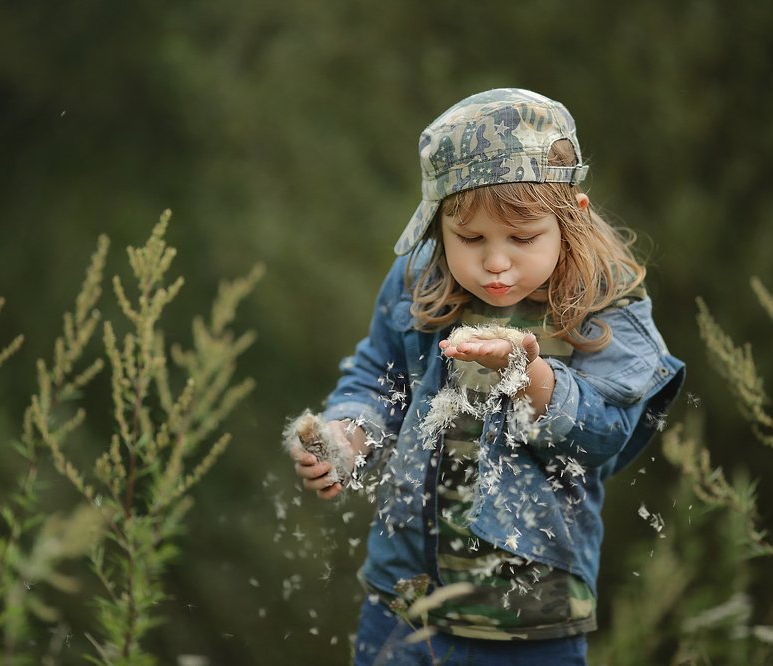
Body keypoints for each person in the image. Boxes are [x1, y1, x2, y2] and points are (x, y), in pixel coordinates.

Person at [287, 88, 685, 665]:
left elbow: (606, 437)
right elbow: (380, 378)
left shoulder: (604, 305)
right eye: (470, 239)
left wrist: (532, 379)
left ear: (571, 214)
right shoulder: (419, 279)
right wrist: (350, 437)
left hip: (531, 620)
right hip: (404, 599)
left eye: (523, 239)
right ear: (438, 225)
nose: (496, 262)